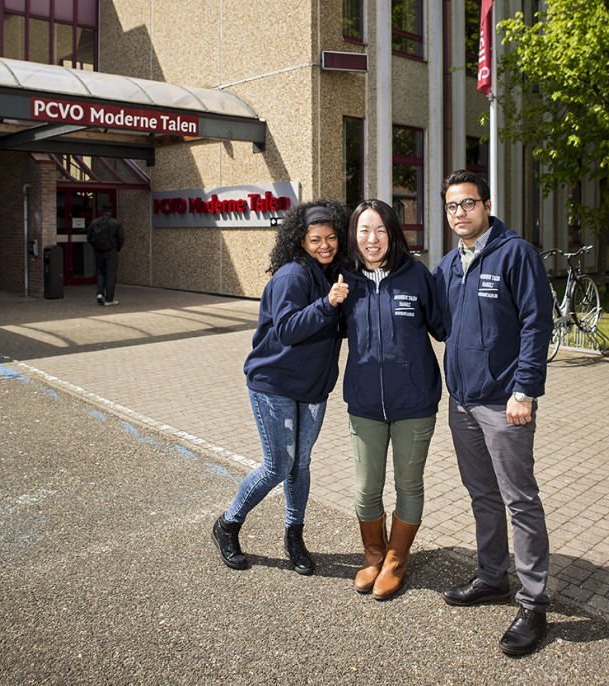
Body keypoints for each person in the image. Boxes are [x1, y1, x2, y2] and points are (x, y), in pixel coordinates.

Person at [433, 169, 553, 657]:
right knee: (481, 494)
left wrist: (525, 389)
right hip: (462, 400)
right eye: (451, 207)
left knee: (519, 498)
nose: (459, 213)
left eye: (468, 204)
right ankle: (492, 577)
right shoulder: (447, 266)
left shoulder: (514, 254)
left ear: (486, 205)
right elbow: (440, 325)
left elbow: (535, 322)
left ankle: (533, 602)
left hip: (505, 404)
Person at [211, 199, 350, 575]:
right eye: (315, 239)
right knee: (277, 466)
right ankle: (228, 524)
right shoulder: (292, 276)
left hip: (313, 388)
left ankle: (294, 535)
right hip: (275, 385)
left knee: (300, 464)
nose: (325, 245)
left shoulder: (333, 273)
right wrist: (327, 304)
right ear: (300, 241)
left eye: (331, 238)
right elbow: (288, 330)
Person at [340, 199, 445, 600]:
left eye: (380, 229)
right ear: (354, 236)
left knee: (408, 485)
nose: (372, 238)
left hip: (414, 403)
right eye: (364, 230)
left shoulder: (417, 275)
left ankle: (397, 559)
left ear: (393, 233)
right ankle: (373, 555)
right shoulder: (345, 280)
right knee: (366, 489)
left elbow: (444, 326)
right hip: (365, 403)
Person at [86, 202, 125, 306]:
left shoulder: (94, 223)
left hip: (98, 252)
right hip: (111, 252)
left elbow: (89, 238)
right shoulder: (116, 223)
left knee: (101, 272)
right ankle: (109, 299)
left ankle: (99, 294)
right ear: (111, 210)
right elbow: (121, 238)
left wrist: (96, 247)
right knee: (111, 275)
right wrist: (116, 248)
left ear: (101, 211)